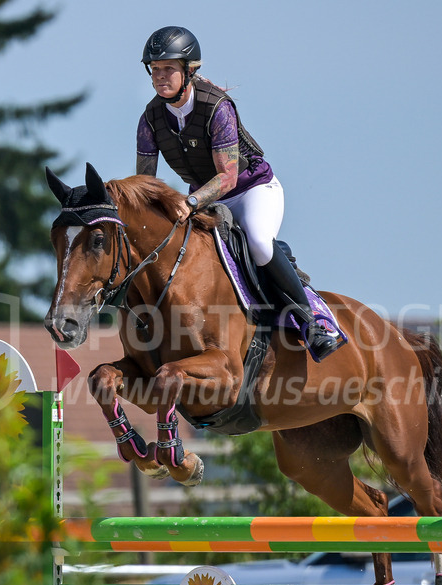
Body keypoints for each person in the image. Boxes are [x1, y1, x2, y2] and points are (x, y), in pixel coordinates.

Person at [136, 25, 343, 362]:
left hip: (252, 190)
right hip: (206, 200)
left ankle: (312, 323)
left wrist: (189, 202)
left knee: (258, 241)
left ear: (188, 70)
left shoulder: (216, 107)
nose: (159, 76)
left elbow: (228, 177)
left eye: (168, 68)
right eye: (155, 69)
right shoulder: (150, 118)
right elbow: (145, 183)